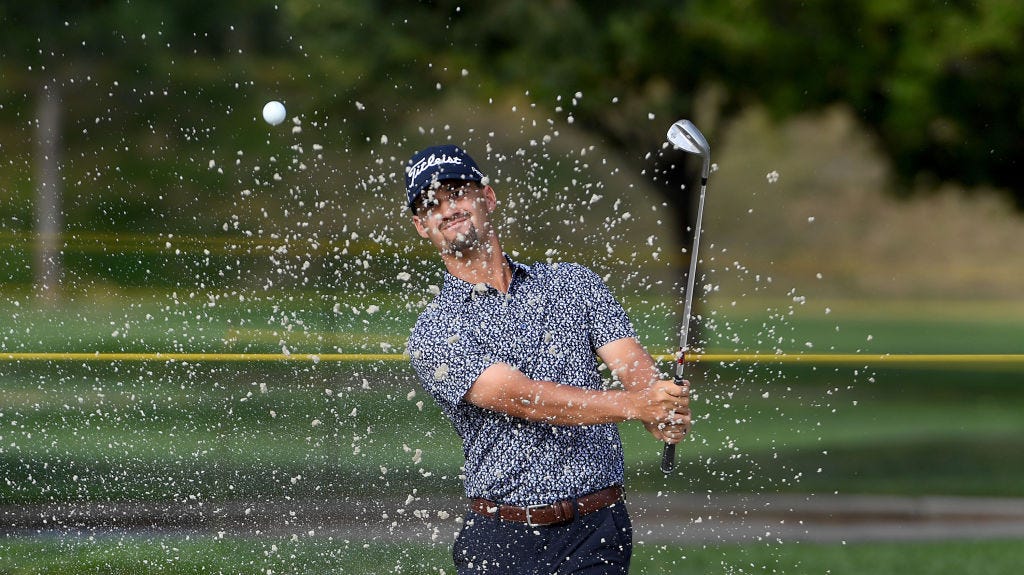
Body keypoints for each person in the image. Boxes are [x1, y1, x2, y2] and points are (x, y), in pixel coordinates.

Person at [404, 144, 691, 574]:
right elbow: (523, 398)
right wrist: (636, 406)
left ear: (488, 197)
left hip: (596, 532)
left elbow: (632, 366)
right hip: (502, 540)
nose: (448, 210)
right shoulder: (433, 332)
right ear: (422, 226)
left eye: (458, 193)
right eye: (432, 205)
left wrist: (661, 404)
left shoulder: (573, 283)